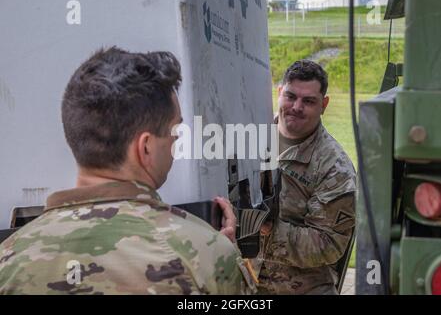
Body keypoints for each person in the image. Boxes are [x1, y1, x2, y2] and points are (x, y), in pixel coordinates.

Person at [0, 47, 255, 295]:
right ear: (145, 148)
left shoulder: (8, 259)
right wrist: (224, 256)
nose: (175, 143)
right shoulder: (203, 255)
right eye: (174, 132)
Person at [257, 60, 356, 295]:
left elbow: (328, 244)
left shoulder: (335, 168)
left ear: (324, 105)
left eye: (309, 101)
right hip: (245, 282)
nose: (297, 107)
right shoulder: (251, 134)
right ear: (280, 93)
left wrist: (266, 230)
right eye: (291, 96)